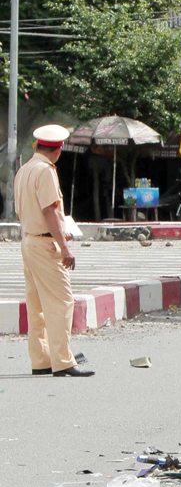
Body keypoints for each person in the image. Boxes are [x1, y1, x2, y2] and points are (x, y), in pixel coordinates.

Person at [14, 125, 93, 377]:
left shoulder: (24, 170)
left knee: (36, 304)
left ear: (37, 146)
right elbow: (49, 210)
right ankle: (63, 361)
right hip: (46, 244)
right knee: (61, 301)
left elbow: (28, 211)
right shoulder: (46, 171)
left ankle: (42, 359)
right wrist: (65, 246)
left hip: (29, 240)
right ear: (58, 150)